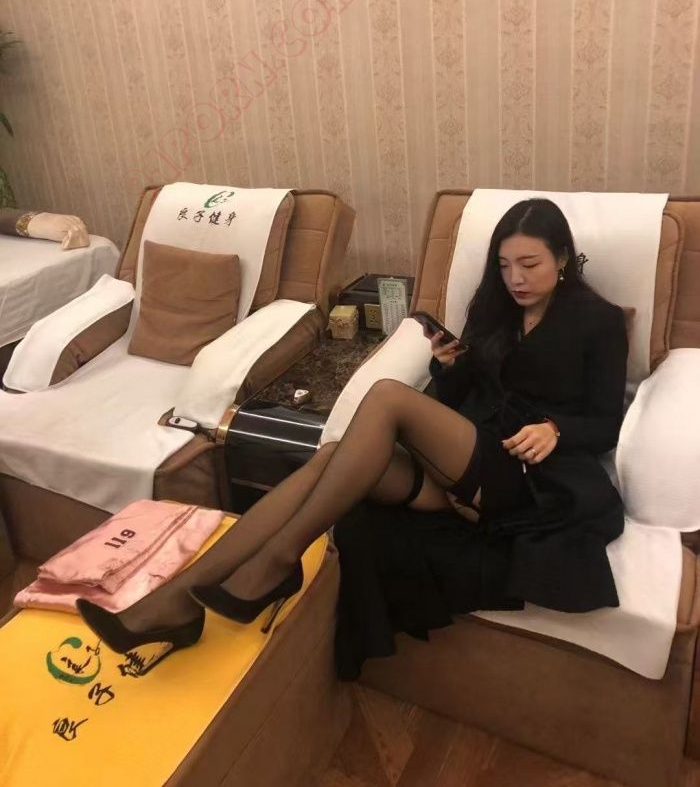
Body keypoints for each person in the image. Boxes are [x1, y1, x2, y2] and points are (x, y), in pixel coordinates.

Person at [77, 199, 629, 679]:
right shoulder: (495, 309)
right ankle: (175, 600)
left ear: (562, 258)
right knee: (335, 456)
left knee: (388, 397)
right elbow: (466, 394)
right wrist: (447, 368)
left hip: (526, 479)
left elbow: (606, 422)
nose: (515, 279)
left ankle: (277, 561)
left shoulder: (597, 321)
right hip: (464, 464)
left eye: (529, 264)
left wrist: (556, 429)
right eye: (505, 265)